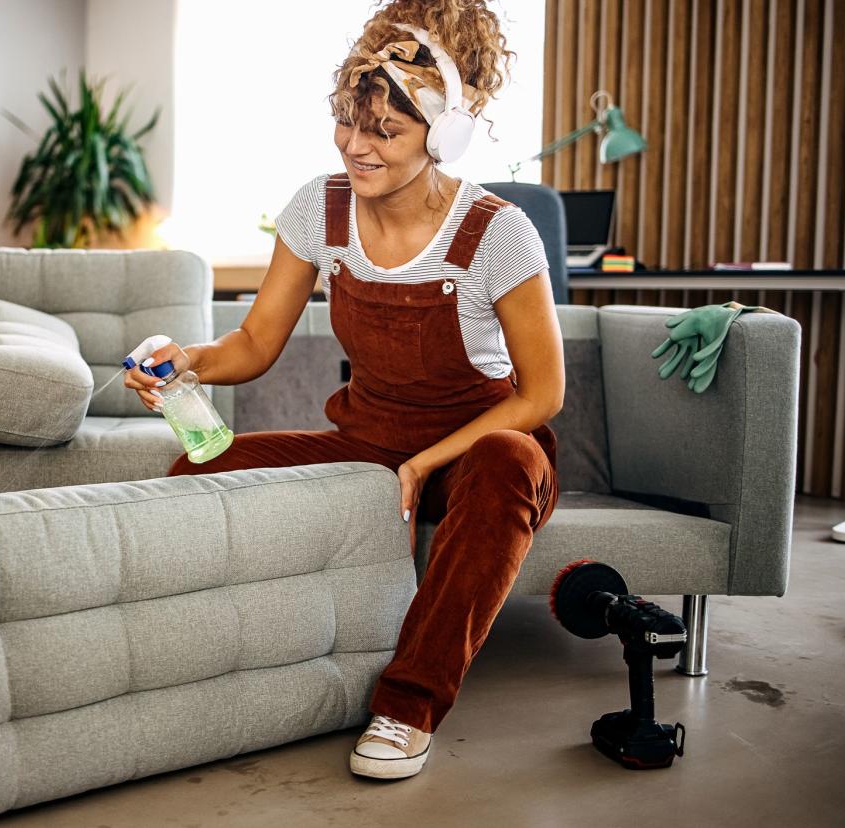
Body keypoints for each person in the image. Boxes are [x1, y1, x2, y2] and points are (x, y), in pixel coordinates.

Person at [124, 0, 563, 781]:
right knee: (197, 472)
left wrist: (427, 463)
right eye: (347, 123)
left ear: (441, 135)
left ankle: (406, 708)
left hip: (476, 454)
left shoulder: (496, 232)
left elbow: (541, 397)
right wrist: (183, 361)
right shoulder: (319, 210)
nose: (356, 148)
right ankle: (202, 669)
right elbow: (254, 345)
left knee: (506, 456)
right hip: (366, 443)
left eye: (384, 133)